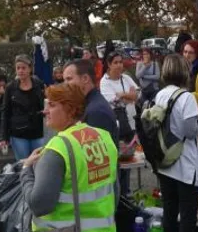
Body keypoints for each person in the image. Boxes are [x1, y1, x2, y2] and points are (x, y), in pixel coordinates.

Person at [21, 83, 117, 232]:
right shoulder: (103, 137)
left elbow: (39, 205)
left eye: (51, 105)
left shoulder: (58, 148)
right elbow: (114, 191)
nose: (45, 111)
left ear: (70, 110)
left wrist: (26, 169)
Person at [154, 54, 198, 232]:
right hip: (186, 165)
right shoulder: (186, 98)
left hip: (166, 161)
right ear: (184, 71)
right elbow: (191, 131)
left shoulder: (161, 94)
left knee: (169, 211)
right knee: (188, 214)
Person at [100, 52, 139, 196]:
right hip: (117, 126)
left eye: (120, 62)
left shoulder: (127, 78)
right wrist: (127, 96)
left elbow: (136, 96)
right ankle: (117, 194)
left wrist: (122, 95)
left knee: (128, 159)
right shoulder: (104, 81)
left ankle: (126, 192)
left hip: (130, 123)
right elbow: (112, 101)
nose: (119, 65)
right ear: (109, 64)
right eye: (115, 62)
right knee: (117, 161)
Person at [63, 59, 118, 147]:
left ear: (85, 78)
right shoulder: (90, 105)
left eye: (69, 79)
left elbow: (97, 154)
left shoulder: (96, 111)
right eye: (64, 80)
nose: (65, 84)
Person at [0, 54, 45, 160]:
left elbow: (45, 106)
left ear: (30, 69)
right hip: (18, 133)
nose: (20, 71)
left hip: (37, 132)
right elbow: (5, 112)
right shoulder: (10, 88)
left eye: (24, 68)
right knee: (23, 165)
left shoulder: (39, 85)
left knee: (40, 162)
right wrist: (3, 137)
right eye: (18, 68)